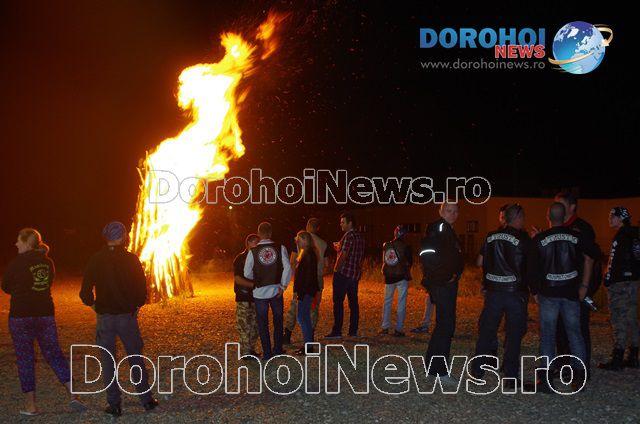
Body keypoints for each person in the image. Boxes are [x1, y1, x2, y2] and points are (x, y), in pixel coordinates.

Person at [1, 228, 86, 416]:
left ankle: (31, 406)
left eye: (18, 240)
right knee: (54, 354)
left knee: (25, 359)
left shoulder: (16, 263)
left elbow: (5, 286)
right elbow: (48, 283)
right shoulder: (48, 262)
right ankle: (74, 396)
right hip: (45, 314)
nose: (15, 244)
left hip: (21, 316)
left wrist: (21, 289)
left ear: (27, 243)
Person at [80, 221, 158, 416]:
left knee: (108, 360)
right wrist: (136, 306)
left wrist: (95, 306)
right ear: (123, 237)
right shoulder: (131, 259)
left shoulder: (96, 259)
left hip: (105, 318)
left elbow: (85, 292)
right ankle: (146, 400)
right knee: (135, 356)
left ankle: (114, 404)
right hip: (126, 317)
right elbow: (142, 289)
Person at [531, 203, 596, 393]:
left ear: (548, 217)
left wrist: (535, 291)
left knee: (547, 336)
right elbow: (591, 256)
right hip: (571, 293)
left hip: (548, 294)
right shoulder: (576, 236)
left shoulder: (540, 239)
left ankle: (546, 380)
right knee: (575, 334)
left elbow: (532, 268)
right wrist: (584, 285)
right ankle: (579, 377)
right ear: (564, 216)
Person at [472, 205, 534, 387]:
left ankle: (477, 371)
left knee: (486, 332)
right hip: (515, 293)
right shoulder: (523, 239)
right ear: (518, 218)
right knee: (514, 335)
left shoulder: (491, 236)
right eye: (523, 217)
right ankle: (510, 376)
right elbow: (531, 266)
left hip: (493, 292)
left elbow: (479, 262)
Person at [554, 192, 602, 378]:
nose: (556, 207)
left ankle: (581, 369)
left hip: (577, 288)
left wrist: (585, 287)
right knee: (560, 329)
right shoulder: (558, 227)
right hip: (560, 288)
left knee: (578, 329)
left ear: (572, 207)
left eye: (560, 204)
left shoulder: (582, 228)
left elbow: (590, 258)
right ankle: (565, 366)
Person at [420, 202, 464, 383]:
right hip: (442, 284)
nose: (452, 214)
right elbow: (427, 255)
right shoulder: (438, 228)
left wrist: (455, 273)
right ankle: (440, 371)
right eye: (448, 210)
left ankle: (432, 368)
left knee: (443, 325)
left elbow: (453, 257)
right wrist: (445, 277)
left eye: (455, 211)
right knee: (446, 325)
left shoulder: (448, 229)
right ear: (441, 211)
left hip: (445, 284)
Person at [598, 206, 639, 370]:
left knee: (618, 318)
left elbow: (613, 261)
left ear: (620, 218)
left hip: (620, 283)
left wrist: (607, 279)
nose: (609, 219)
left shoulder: (620, 236)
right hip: (634, 281)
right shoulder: (635, 234)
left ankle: (617, 357)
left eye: (612, 216)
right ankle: (634, 356)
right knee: (632, 317)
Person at [243, 222, 292, 360]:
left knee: (263, 324)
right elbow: (288, 268)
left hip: (259, 293)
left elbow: (246, 273)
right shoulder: (280, 248)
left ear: (259, 234)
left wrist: (257, 278)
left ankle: (267, 353)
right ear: (270, 233)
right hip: (276, 291)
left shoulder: (253, 251)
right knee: (278, 322)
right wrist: (283, 286)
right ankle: (277, 349)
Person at [283, 218, 328, 345]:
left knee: (295, 308)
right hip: (317, 279)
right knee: (313, 308)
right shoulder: (323, 244)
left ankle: (288, 334)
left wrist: (294, 278)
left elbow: (292, 261)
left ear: (308, 225)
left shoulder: (301, 241)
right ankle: (310, 336)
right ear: (318, 228)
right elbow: (326, 264)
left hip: (304, 281)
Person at [326, 212, 365, 339]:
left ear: (350, 223)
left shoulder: (348, 236)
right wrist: (339, 247)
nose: (340, 224)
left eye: (343, 222)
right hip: (354, 274)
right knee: (353, 303)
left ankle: (337, 331)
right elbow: (357, 254)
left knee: (338, 302)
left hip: (343, 273)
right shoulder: (360, 237)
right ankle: (353, 330)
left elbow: (344, 255)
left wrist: (336, 269)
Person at [379, 225, 413, 337]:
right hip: (401, 277)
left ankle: (385, 327)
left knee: (387, 302)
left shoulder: (386, 245)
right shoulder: (406, 247)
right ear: (404, 235)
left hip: (389, 277)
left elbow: (384, 260)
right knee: (401, 302)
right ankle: (399, 328)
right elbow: (410, 262)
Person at [292, 231, 320, 354]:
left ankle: (308, 346)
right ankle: (308, 345)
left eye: (298, 240)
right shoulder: (307, 252)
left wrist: (302, 291)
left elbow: (308, 275)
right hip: (307, 290)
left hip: (306, 290)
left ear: (304, 239)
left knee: (302, 317)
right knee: (304, 317)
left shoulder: (308, 254)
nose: (297, 242)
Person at [233, 234, 260, 357]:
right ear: (248, 243)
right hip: (243, 297)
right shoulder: (240, 259)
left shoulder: (258, 257)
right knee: (244, 326)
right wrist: (254, 285)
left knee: (255, 326)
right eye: (255, 242)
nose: (257, 244)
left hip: (256, 297)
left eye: (258, 242)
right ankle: (245, 352)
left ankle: (251, 349)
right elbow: (238, 279)